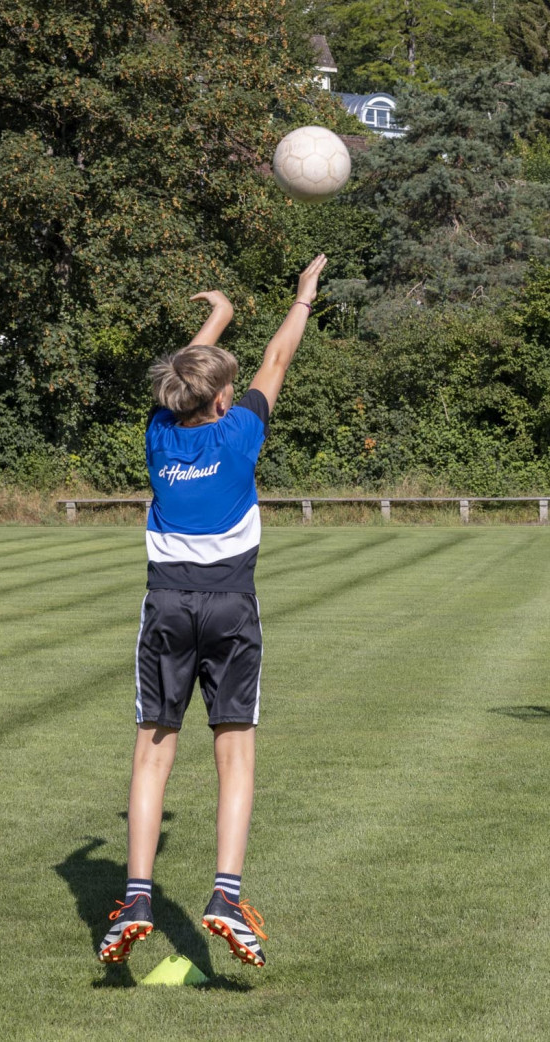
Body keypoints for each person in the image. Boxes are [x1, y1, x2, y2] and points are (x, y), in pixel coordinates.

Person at [98, 254, 328, 969]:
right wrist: (303, 298)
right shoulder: (239, 434)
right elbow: (280, 356)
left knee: (153, 747)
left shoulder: (159, 434)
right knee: (234, 750)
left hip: (166, 603)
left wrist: (219, 315)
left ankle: (136, 895)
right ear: (225, 400)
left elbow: (188, 374)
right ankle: (225, 894)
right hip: (231, 604)